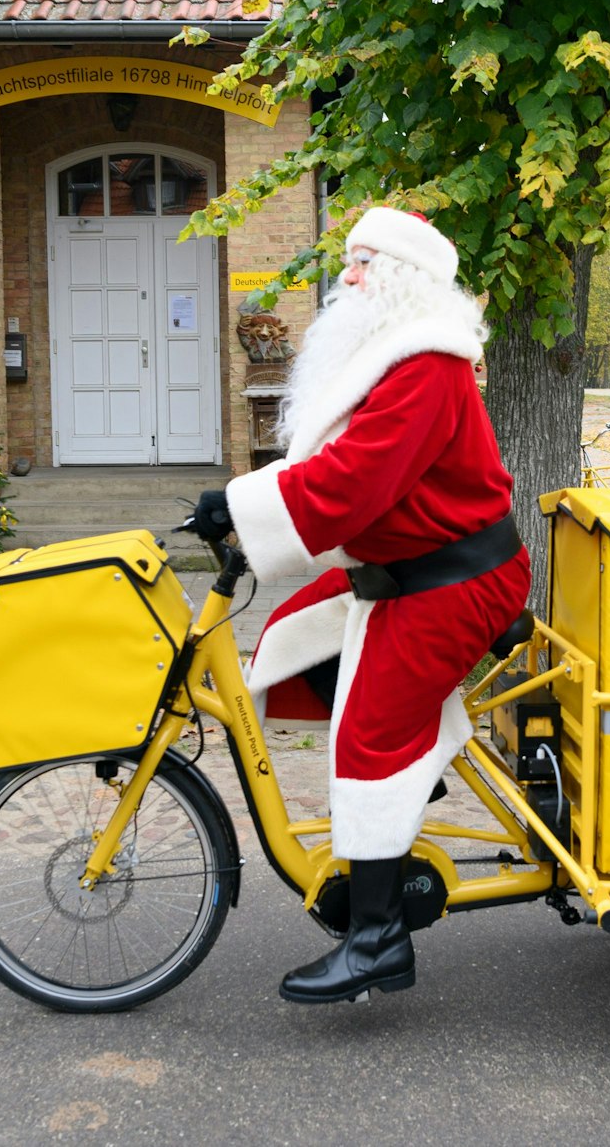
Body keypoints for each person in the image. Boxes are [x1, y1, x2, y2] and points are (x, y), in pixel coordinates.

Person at [188, 207, 529, 1004]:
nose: (345, 277)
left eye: (363, 262)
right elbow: (346, 466)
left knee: (370, 736)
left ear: (402, 277)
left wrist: (239, 505)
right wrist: (253, 507)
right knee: (293, 634)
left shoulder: (428, 366)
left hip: (453, 579)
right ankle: (406, 819)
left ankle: (377, 939)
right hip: (414, 567)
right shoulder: (394, 356)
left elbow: (352, 482)